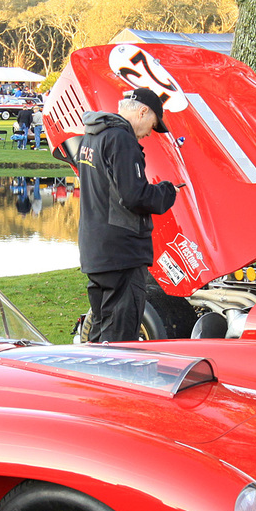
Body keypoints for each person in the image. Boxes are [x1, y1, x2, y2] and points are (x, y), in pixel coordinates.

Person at [75, 88, 179, 342]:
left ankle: (93, 380)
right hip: (122, 252)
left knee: (99, 332)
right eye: (152, 126)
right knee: (121, 338)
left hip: (96, 250)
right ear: (143, 111)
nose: (148, 134)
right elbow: (134, 196)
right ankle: (115, 382)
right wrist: (167, 191)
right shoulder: (122, 139)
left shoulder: (92, 135)